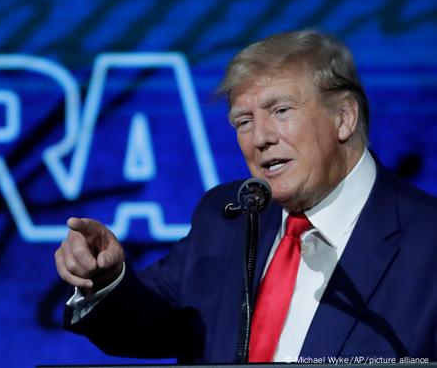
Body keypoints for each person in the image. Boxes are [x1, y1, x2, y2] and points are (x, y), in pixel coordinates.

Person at [54, 30, 437, 363]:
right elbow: (147, 323)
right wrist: (105, 280)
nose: (260, 138)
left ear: (344, 117)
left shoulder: (426, 240)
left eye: (281, 110)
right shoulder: (227, 217)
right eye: (244, 121)